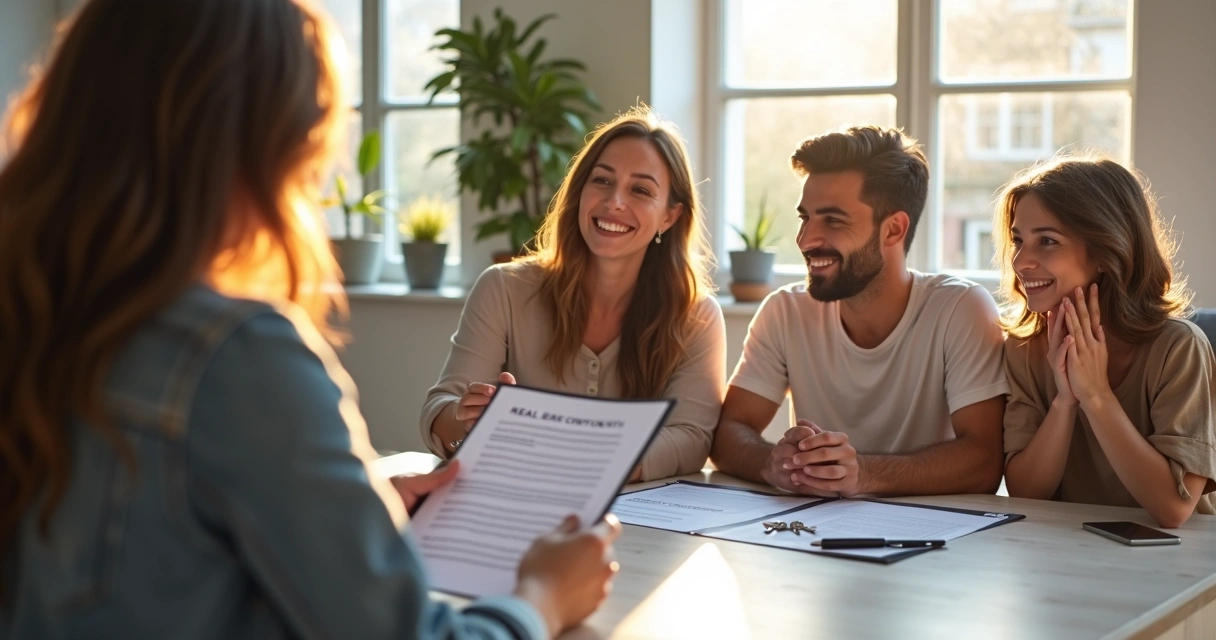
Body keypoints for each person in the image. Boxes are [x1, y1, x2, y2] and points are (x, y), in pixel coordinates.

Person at [0, 1, 620, 638]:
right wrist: (542, 597)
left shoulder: (34, 313)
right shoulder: (238, 356)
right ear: (268, 143)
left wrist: (356, 510)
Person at [421, 107, 726, 482]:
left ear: (670, 216)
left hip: (635, 524)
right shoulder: (502, 288)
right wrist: (466, 419)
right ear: (579, 192)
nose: (614, 201)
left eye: (641, 190)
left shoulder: (697, 316)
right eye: (601, 181)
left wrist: (589, 460)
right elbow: (439, 409)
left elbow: (692, 438)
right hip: (511, 503)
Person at [710, 125, 1008, 498]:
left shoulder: (960, 309)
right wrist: (772, 464)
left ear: (893, 230)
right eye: (805, 218)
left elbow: (984, 460)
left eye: (833, 221)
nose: (805, 240)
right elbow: (728, 431)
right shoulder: (785, 311)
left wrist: (864, 473)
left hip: (935, 540)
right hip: (812, 534)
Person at [997, 154, 1215, 527]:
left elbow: (1173, 509)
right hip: (1069, 554)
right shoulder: (1025, 348)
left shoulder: (1179, 349)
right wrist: (1065, 402)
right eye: (1019, 240)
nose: (1020, 261)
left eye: (1046, 241)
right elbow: (1026, 494)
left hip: (1179, 564)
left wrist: (1096, 396)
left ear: (1104, 250)